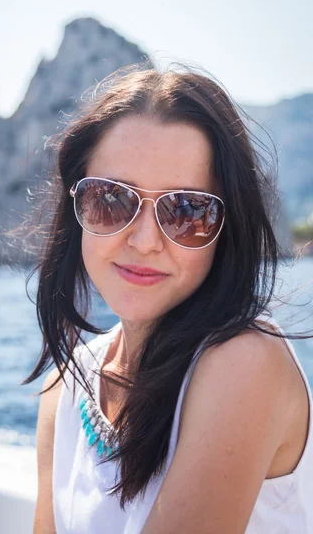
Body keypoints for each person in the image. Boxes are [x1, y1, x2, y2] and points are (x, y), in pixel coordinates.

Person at [27, 64, 313, 533]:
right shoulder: (63, 386)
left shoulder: (245, 363)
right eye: (112, 199)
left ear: (227, 231)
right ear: (76, 206)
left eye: (186, 211)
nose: (144, 240)